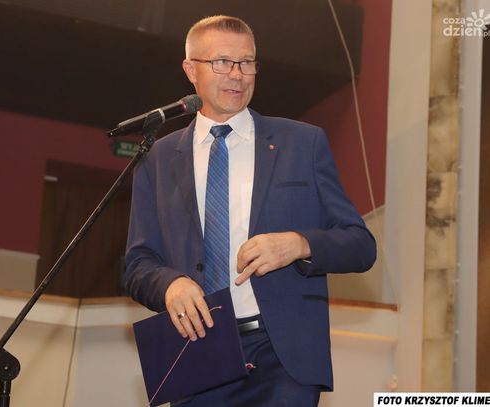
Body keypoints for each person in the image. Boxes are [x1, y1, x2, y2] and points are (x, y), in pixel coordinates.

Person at [125, 15, 376, 406]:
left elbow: (361, 245)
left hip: (283, 358)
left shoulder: (303, 143)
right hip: (198, 352)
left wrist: (299, 244)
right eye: (222, 62)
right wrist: (170, 285)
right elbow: (138, 264)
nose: (237, 75)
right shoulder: (156, 159)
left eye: (247, 63)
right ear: (191, 70)